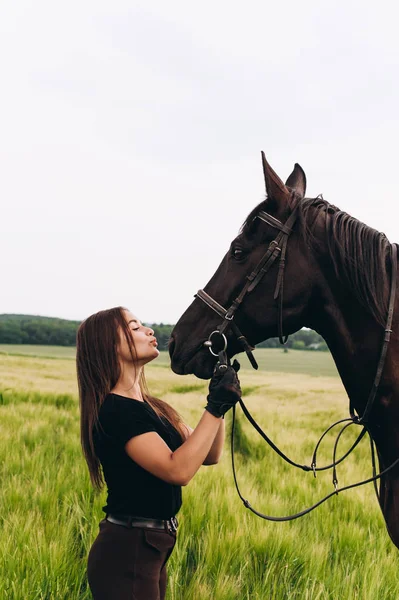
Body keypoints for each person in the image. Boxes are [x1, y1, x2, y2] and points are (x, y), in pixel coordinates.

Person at [76, 306, 241, 600]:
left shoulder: (156, 407)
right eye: (135, 328)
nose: (149, 331)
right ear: (108, 344)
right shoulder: (115, 411)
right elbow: (177, 470)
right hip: (127, 551)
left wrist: (220, 401)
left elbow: (210, 454)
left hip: (153, 547)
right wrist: (214, 407)